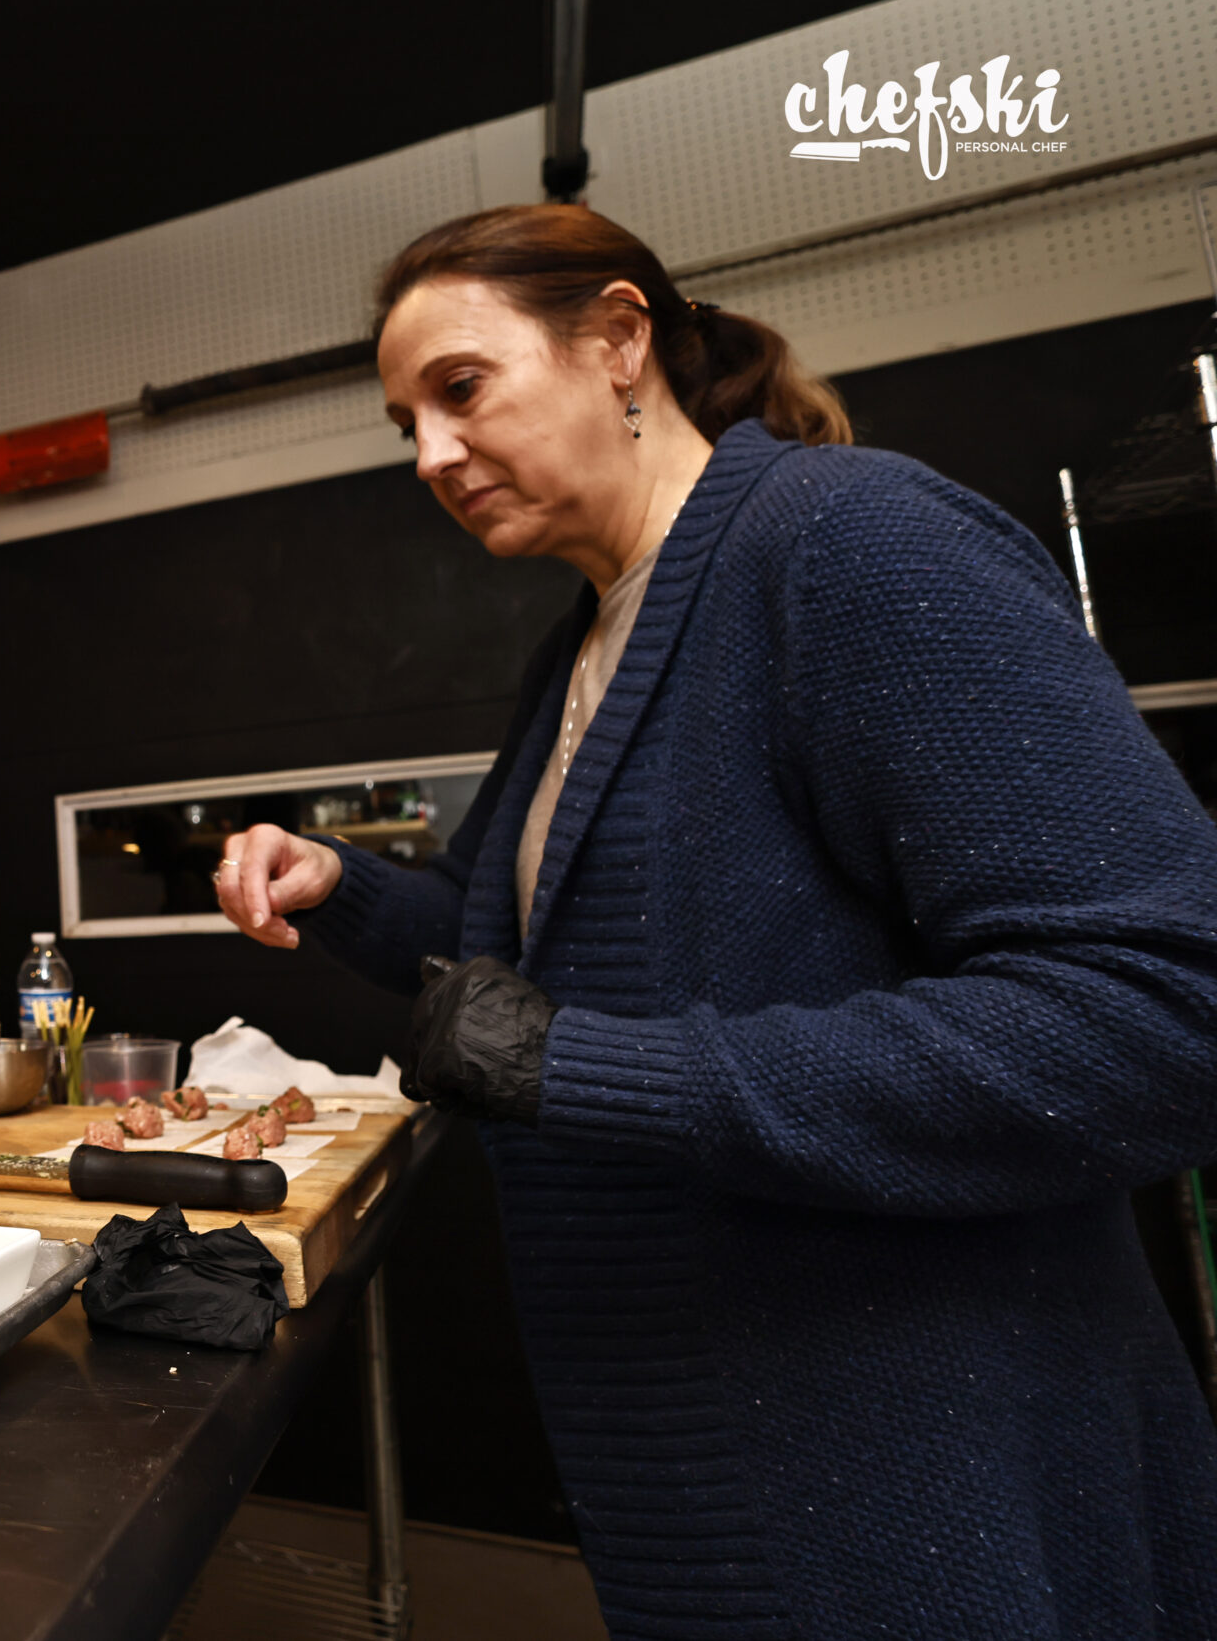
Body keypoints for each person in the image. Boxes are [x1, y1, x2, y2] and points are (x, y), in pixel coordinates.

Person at [215, 206, 1217, 1638]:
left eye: (461, 389)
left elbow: (1164, 1011)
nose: (430, 455)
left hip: (914, 1478)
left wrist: (593, 1067)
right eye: (405, 426)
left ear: (619, 340)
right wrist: (345, 884)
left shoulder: (845, 541)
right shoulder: (584, 640)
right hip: (699, 1465)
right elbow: (518, 953)